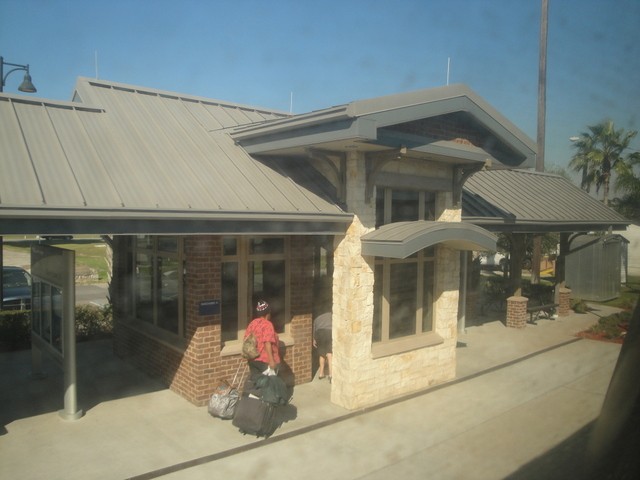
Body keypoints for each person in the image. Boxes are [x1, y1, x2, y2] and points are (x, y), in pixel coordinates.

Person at [244, 300, 281, 378]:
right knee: (269, 385)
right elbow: (267, 342)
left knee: (257, 383)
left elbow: (246, 339)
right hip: (265, 361)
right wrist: (271, 361)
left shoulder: (252, 323)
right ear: (267, 314)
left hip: (253, 360)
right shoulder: (267, 324)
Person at [313, 311, 332, 383]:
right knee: (330, 354)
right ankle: (331, 375)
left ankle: (321, 374)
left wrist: (314, 340)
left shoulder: (317, 317)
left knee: (322, 354)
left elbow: (314, 329)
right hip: (329, 332)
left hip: (320, 333)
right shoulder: (331, 315)